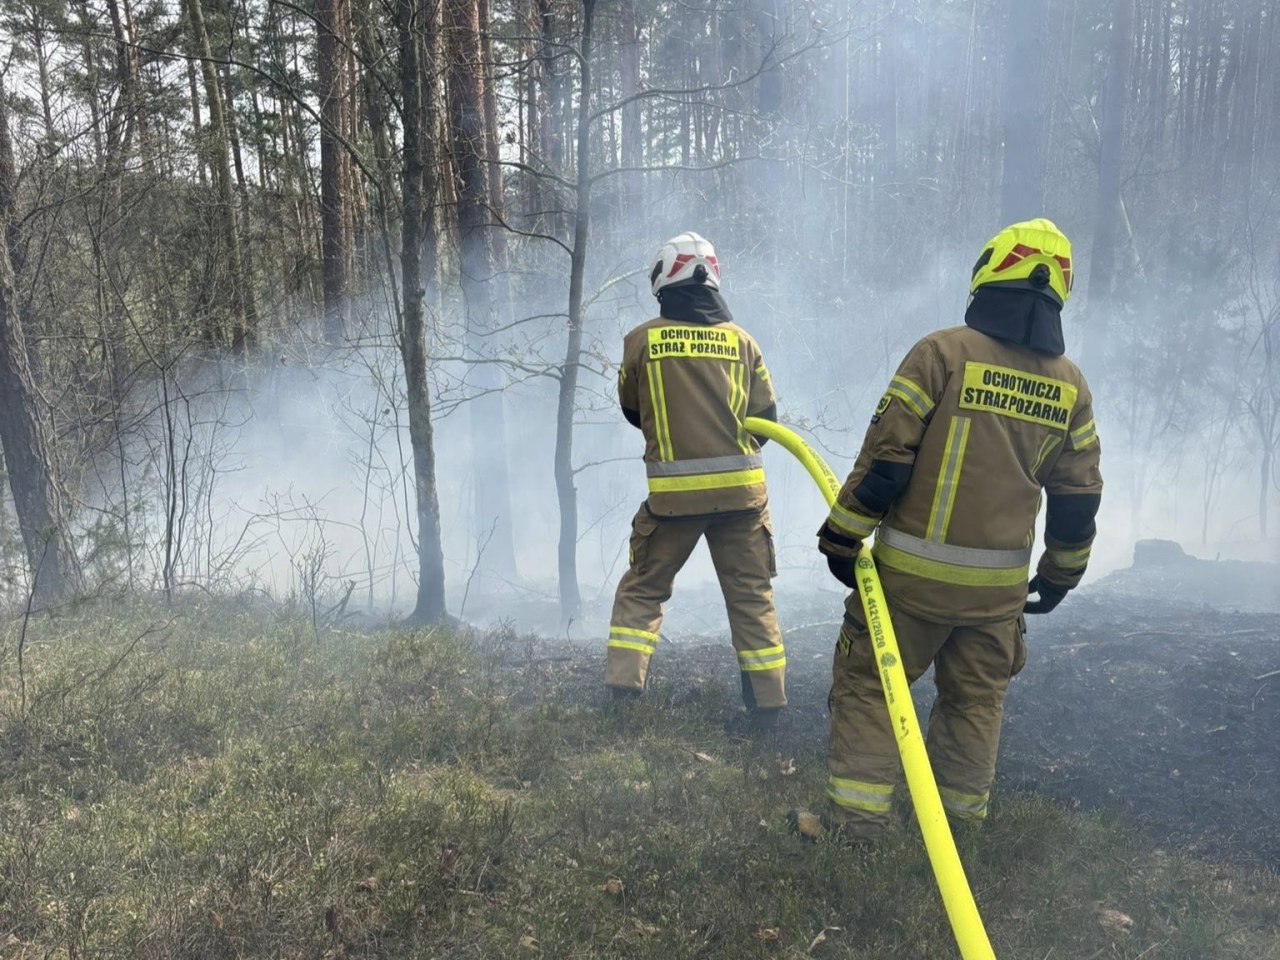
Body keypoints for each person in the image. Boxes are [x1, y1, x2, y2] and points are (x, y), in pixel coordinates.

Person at [797, 218, 1103, 841]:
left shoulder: (941, 353)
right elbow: (1079, 495)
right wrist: (1061, 573)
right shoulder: (1070, 386)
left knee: (869, 687)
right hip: (998, 598)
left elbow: (887, 459)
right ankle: (957, 831)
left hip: (912, 586)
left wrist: (842, 534)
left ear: (990, 272)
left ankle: (859, 824)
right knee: (976, 701)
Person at [605, 231, 786, 725]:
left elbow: (630, 409)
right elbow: (766, 418)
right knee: (751, 598)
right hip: (743, 500)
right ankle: (768, 706)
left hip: (672, 504)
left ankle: (623, 693)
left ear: (665, 279)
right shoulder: (743, 342)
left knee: (644, 588)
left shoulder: (641, 340)